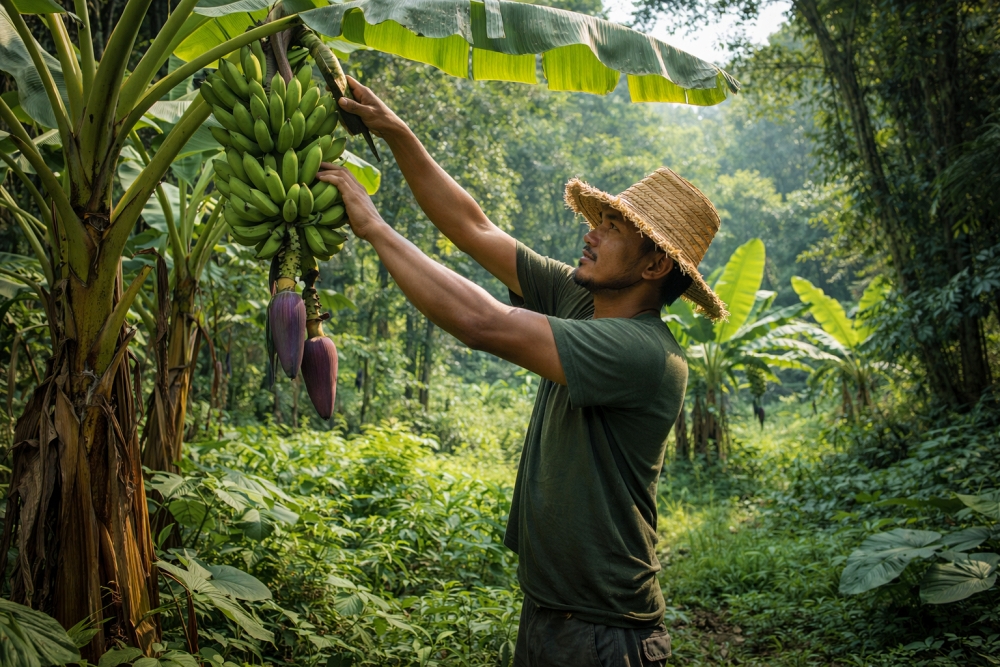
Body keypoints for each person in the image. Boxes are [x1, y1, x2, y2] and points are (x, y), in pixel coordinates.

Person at [317, 77, 728, 667]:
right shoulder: (579, 298)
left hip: (604, 633)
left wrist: (375, 227)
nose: (592, 231)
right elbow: (474, 227)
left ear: (656, 263)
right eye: (601, 219)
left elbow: (484, 323)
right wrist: (398, 132)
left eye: (613, 228)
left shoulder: (644, 353)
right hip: (547, 611)